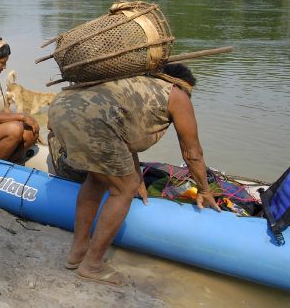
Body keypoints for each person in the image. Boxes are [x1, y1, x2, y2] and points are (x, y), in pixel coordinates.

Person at [47, 64, 220, 285]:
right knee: (124, 189)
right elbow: (192, 153)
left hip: (62, 107)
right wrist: (204, 189)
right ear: (182, 84)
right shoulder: (177, 95)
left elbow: (124, 136)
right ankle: (92, 265)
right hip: (94, 119)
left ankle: (77, 253)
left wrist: (135, 173)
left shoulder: (137, 83)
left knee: (97, 179)